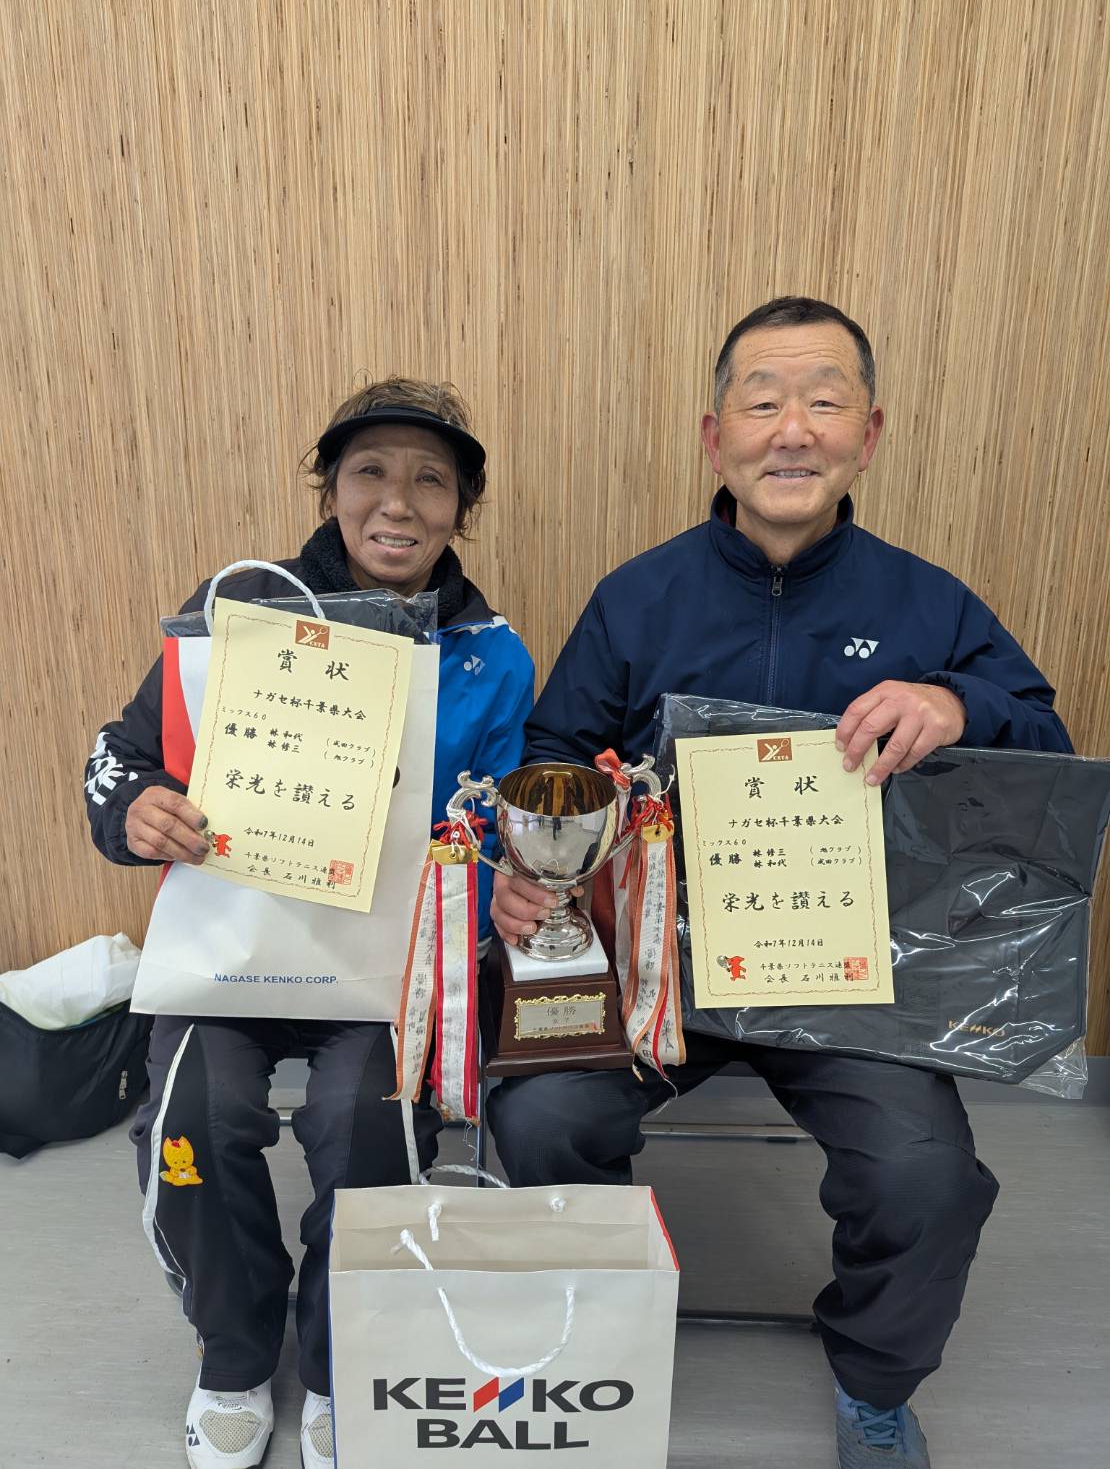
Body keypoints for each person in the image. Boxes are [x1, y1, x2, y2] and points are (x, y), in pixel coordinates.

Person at [488, 298, 1072, 1469]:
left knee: (926, 1177)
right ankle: (598, 1332)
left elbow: (1044, 745)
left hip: (849, 975)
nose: (792, 429)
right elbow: (552, 751)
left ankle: (874, 1379)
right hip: (659, 963)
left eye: (823, 401)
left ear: (870, 432)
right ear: (717, 438)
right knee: (541, 1115)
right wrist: (532, 853)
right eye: (762, 403)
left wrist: (958, 702)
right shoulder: (640, 597)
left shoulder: (928, 603)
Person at [84, 377, 533, 1469]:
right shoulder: (235, 616)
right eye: (369, 471)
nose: (398, 502)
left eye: (431, 480)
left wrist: (497, 887)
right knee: (191, 1117)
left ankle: (343, 1358)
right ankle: (234, 1352)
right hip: (231, 945)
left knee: (369, 1124)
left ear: (462, 509)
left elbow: (506, 828)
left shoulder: (493, 655)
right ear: (329, 489)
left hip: (383, 967)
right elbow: (124, 755)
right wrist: (135, 809)